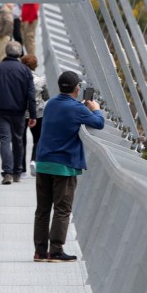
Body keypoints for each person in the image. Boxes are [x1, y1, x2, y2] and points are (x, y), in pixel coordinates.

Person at [33, 70, 104, 262]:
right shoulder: (77, 109)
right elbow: (99, 123)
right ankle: (55, 250)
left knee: (42, 209)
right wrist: (95, 108)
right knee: (62, 209)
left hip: (43, 162)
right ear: (78, 88)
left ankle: (40, 251)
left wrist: (80, 107)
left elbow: (65, 113)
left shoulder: (50, 105)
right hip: (63, 165)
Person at [0, 41, 36, 185]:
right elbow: (31, 95)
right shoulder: (25, 71)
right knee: (18, 140)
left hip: (1, 110)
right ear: (20, 54)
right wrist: (33, 115)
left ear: (6, 52)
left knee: (5, 139)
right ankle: (18, 172)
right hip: (19, 111)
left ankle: (7, 172)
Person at [20, 53, 48, 176]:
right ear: (35, 66)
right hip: (37, 112)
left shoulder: (18, 79)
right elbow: (46, 96)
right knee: (38, 138)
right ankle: (34, 160)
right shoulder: (40, 80)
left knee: (21, 140)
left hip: (20, 112)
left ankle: (21, 169)